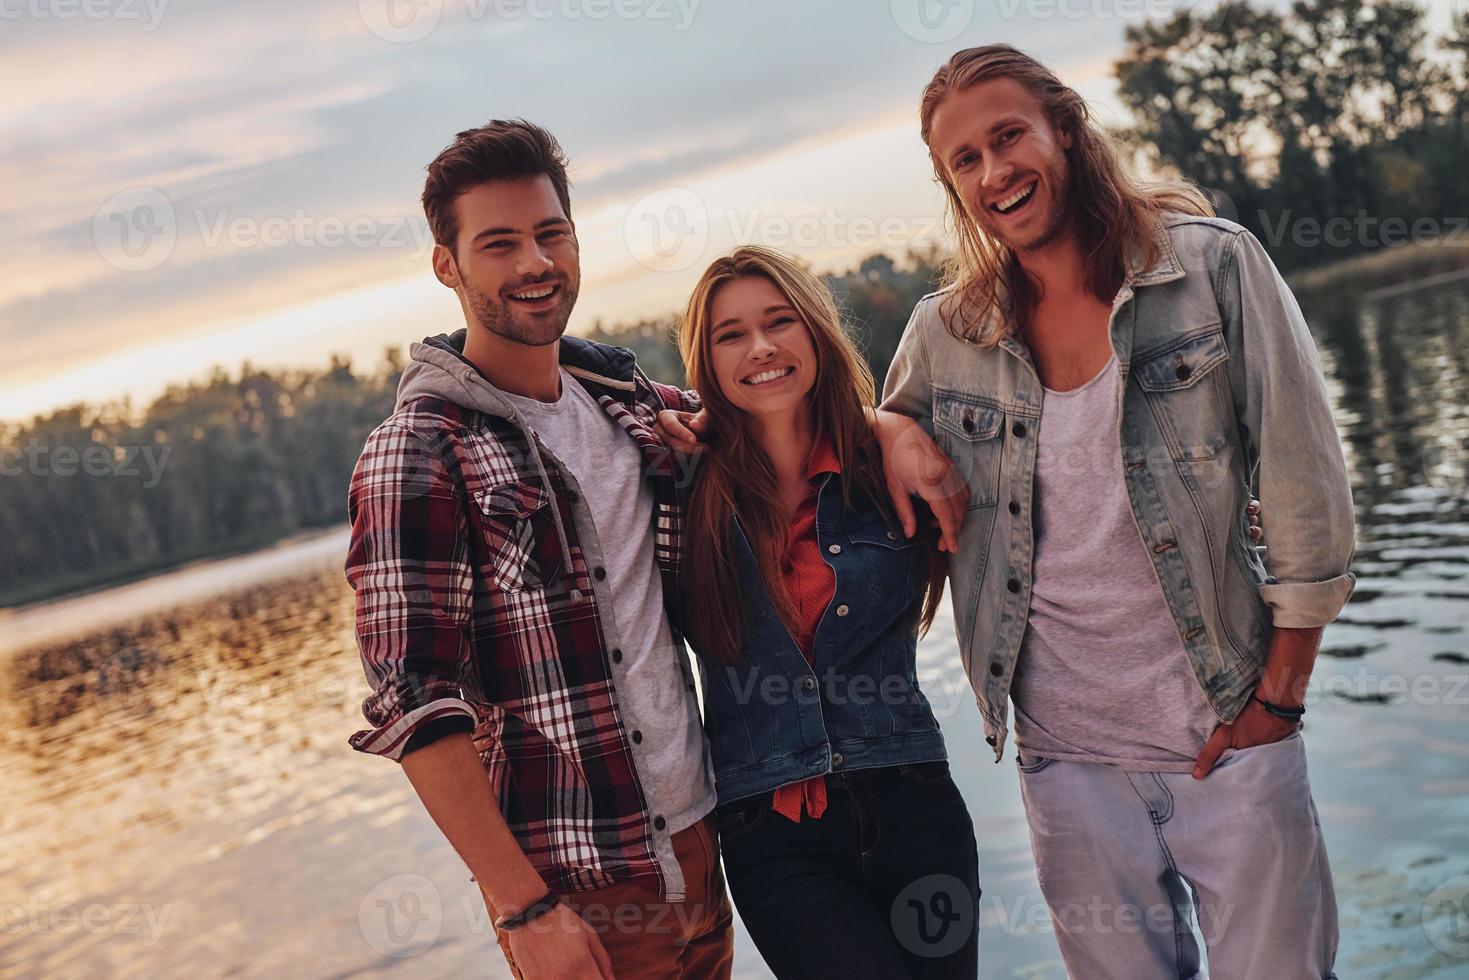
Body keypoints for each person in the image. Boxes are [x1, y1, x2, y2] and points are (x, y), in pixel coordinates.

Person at [877, 45, 1354, 978]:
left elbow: (1305, 479)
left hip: (1230, 734)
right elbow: (851, 435)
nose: (993, 172)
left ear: (1064, 124)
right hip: (1067, 769)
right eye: (963, 161)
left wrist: (1279, 697)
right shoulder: (947, 332)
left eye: (1008, 136)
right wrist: (883, 424)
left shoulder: (1211, 268)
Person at [344, 119, 734, 980]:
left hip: (699, 840)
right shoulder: (417, 451)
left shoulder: (621, 395)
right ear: (448, 265)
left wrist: (885, 430)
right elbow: (416, 702)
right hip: (578, 885)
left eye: (550, 232)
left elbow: (766, 413)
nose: (535, 263)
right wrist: (522, 907)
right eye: (499, 243)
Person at [674, 245, 981, 979]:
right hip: (776, 838)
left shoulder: (889, 469)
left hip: (915, 807)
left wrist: (886, 426)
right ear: (706, 362)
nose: (761, 347)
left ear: (814, 332)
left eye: (780, 321)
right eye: (730, 334)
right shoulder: (679, 489)